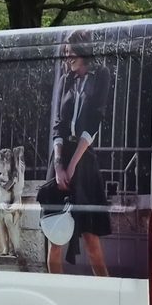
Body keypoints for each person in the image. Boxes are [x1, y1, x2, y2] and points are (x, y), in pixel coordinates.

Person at [49, 30, 111, 276]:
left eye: (71, 52)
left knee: (91, 240)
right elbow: (58, 125)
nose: (67, 57)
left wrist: (73, 165)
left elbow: (94, 123)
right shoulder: (66, 79)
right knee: (55, 238)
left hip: (84, 162)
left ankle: (107, 293)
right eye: (65, 53)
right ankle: (56, 293)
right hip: (60, 160)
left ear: (83, 50)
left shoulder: (101, 75)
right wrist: (58, 166)